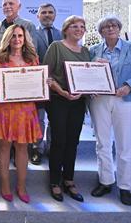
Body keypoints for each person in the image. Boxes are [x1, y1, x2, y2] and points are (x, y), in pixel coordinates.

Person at [0, 24, 42, 203]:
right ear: (8, 39)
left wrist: (44, 82)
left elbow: (36, 83)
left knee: (22, 147)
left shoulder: (33, 59)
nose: (17, 39)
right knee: (4, 146)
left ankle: (21, 185)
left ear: (25, 38)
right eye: (13, 36)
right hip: (6, 109)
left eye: (20, 36)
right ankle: (4, 184)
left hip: (26, 109)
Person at [43, 15, 90, 202]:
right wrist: (62, 92)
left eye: (82, 26)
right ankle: (55, 181)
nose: (78, 29)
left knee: (73, 142)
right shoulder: (56, 47)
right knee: (59, 141)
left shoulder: (86, 51)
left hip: (78, 102)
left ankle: (69, 179)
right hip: (58, 100)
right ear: (65, 29)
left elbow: (90, 75)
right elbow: (46, 75)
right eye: (74, 26)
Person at [89, 16, 131, 206]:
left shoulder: (130, 48)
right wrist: (91, 85)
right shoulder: (93, 50)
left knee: (125, 145)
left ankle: (125, 186)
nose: (110, 28)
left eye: (114, 25)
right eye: (106, 27)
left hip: (124, 99)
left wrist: (129, 86)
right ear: (101, 32)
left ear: (120, 28)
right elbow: (84, 75)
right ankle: (106, 181)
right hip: (100, 100)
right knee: (102, 142)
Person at [30, 3, 62, 165]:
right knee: (39, 119)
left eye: (50, 12)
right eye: (44, 12)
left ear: (55, 16)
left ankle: (51, 148)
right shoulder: (31, 34)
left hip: (58, 84)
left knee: (54, 118)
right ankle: (37, 148)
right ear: (38, 16)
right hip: (38, 83)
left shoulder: (62, 34)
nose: (47, 15)